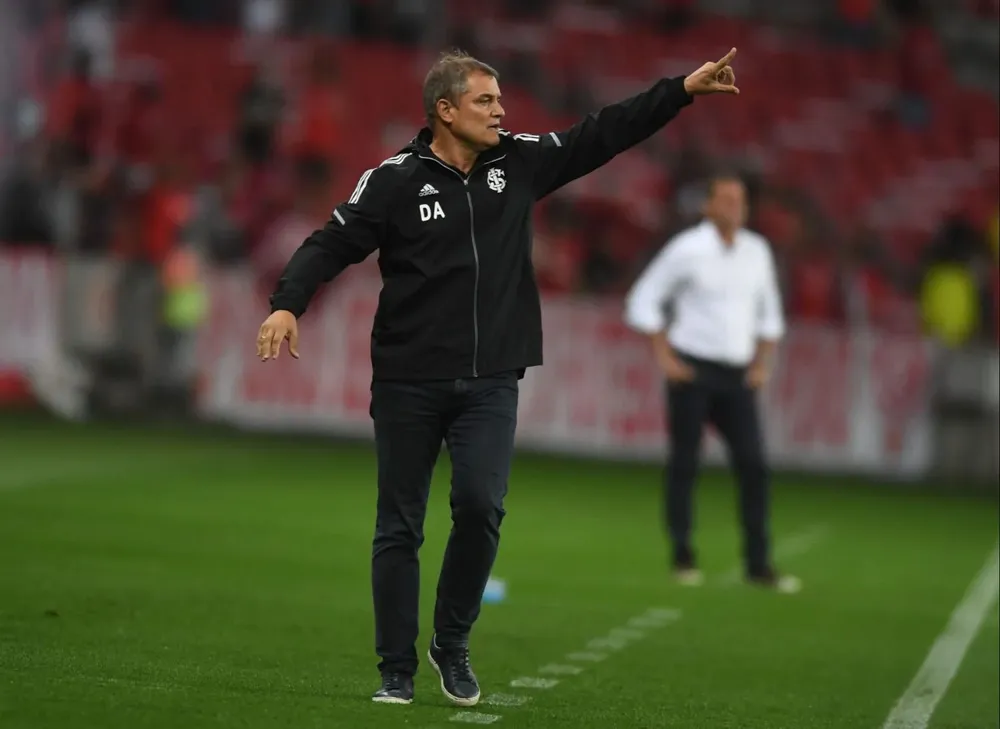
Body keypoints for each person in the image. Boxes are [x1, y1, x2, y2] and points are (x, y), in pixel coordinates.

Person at [256, 48, 741, 707]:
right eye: (485, 101)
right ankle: (395, 671)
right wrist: (288, 302)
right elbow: (330, 242)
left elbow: (602, 132)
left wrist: (680, 89)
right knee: (399, 524)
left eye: (500, 99)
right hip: (408, 378)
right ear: (444, 110)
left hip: (491, 379)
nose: (501, 111)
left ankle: (450, 644)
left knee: (482, 506)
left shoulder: (518, 162)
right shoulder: (394, 180)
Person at [623, 173, 801, 594]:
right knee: (685, 463)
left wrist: (763, 364)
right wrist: (666, 357)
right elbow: (643, 299)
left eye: (739, 201)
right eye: (724, 200)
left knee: (754, 464)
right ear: (707, 206)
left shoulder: (757, 251)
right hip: (693, 369)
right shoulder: (687, 249)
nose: (733, 208)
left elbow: (770, 313)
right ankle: (682, 553)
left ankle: (759, 564)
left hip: (737, 375)